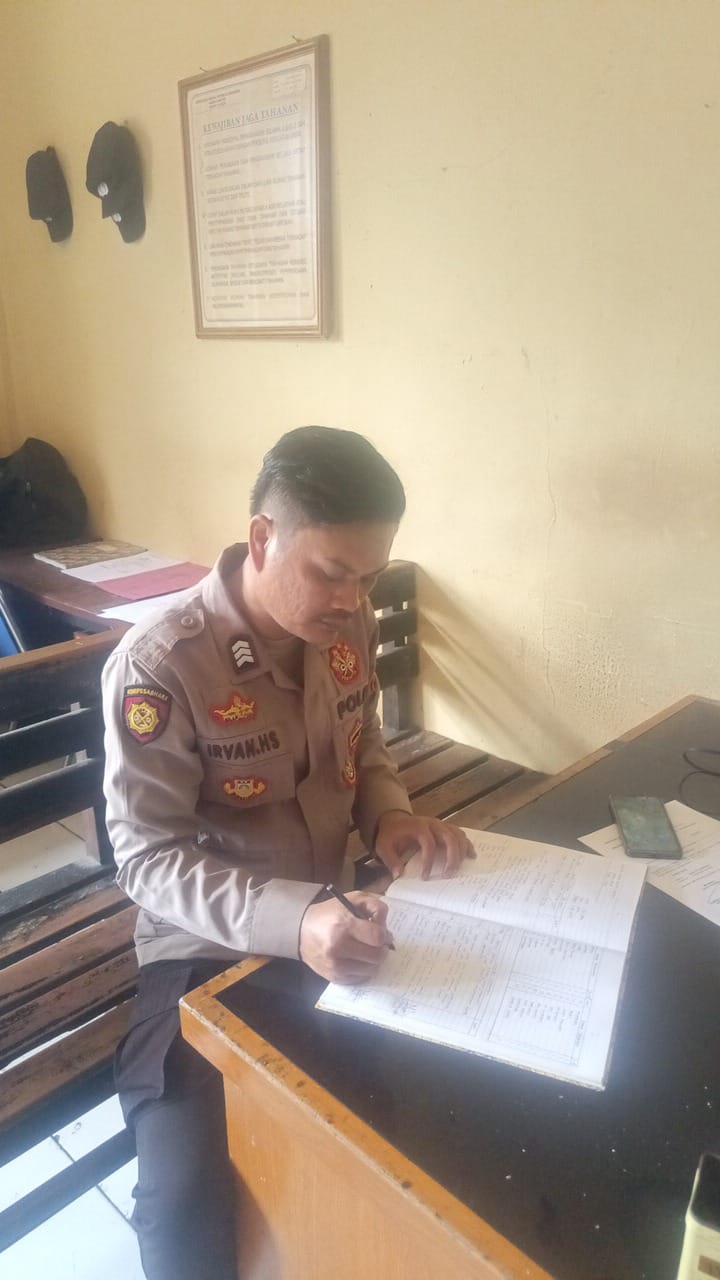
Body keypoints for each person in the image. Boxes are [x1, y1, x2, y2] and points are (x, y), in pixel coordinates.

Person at [102, 426, 473, 1280]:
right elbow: (147, 859)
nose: (353, 600)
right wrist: (297, 920)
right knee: (182, 1202)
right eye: (334, 573)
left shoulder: (345, 627)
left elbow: (363, 741)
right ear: (263, 538)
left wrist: (389, 817)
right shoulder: (161, 664)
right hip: (205, 949)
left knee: (419, 1136)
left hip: (341, 915)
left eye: (370, 577)